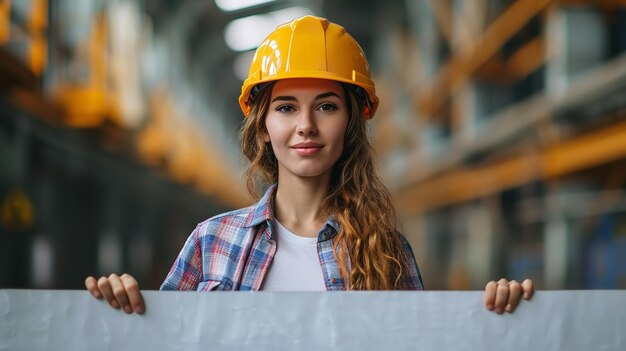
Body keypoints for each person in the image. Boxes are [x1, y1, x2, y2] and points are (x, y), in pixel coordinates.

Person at [85, 15, 534, 315]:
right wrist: (125, 311)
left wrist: (496, 319)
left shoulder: (387, 251)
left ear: (351, 124)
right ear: (262, 127)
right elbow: (165, 343)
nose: (306, 126)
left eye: (325, 106)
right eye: (285, 108)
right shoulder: (210, 241)